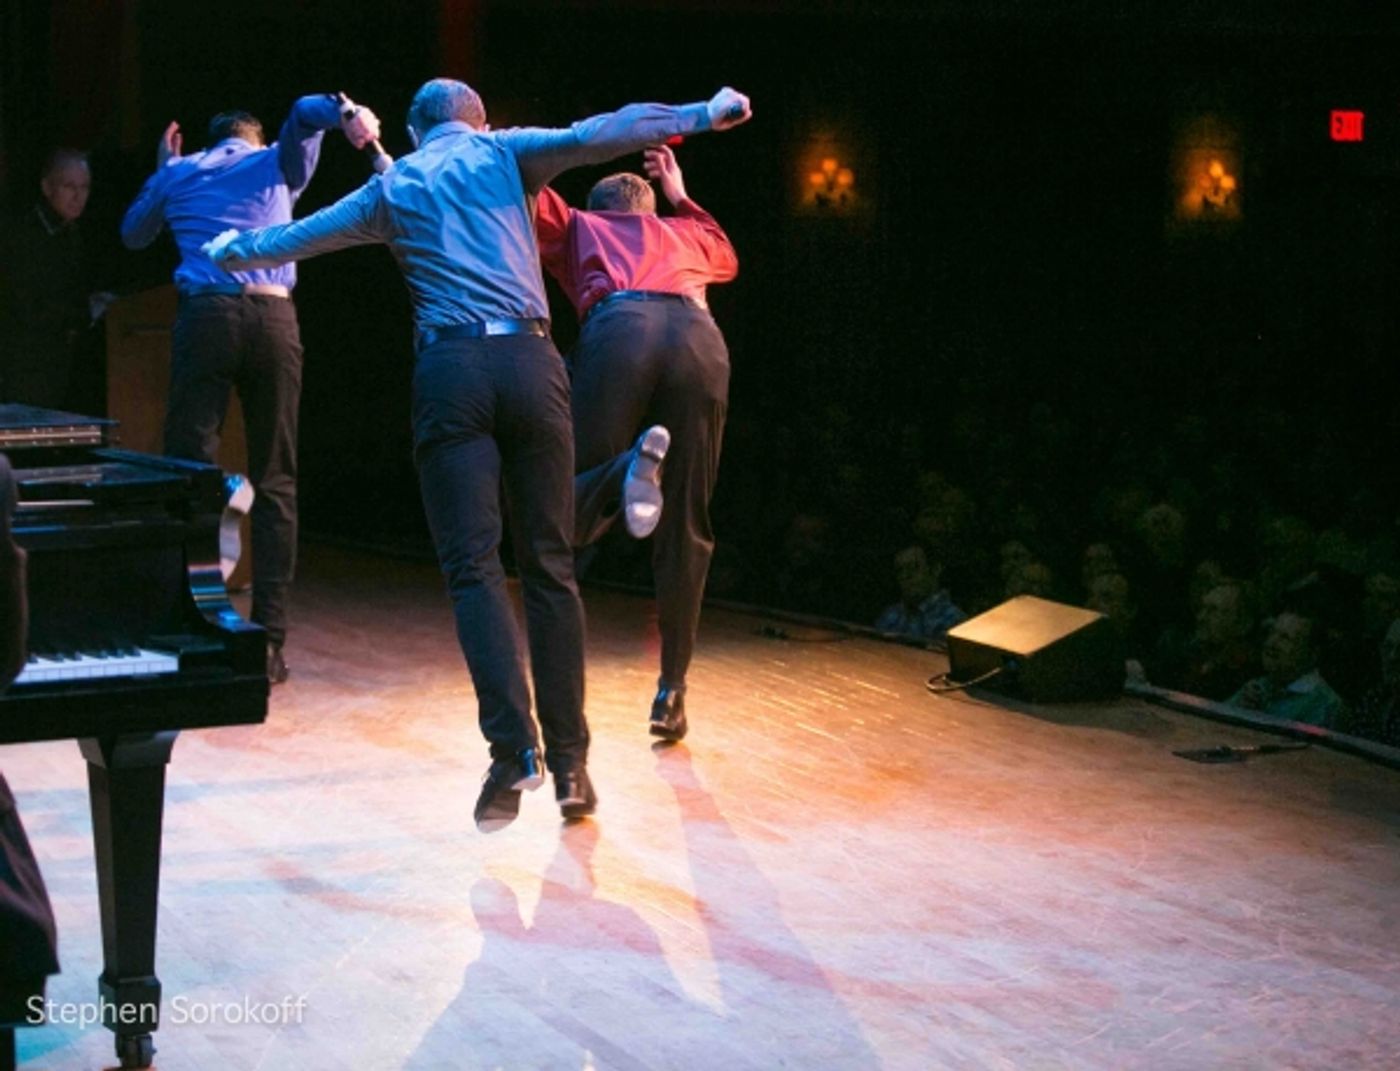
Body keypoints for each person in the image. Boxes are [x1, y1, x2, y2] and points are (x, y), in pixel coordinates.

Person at [205, 79, 752, 831]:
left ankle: (513, 752)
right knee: (551, 566)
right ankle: (571, 766)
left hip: (452, 374)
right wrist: (700, 116)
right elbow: (603, 127)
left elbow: (296, 237)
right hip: (533, 365)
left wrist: (233, 250)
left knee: (474, 567)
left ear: (414, 127)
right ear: (481, 121)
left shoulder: (394, 189)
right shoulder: (505, 152)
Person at [120, 95, 382, 686]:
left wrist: (165, 169)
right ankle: (268, 643)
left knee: (188, 472)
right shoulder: (272, 164)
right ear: (257, 140)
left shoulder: (183, 171)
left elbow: (134, 235)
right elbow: (305, 114)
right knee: (277, 477)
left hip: (206, 319)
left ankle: (190, 625)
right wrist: (345, 115)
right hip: (271, 321)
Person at [534, 142, 738, 742]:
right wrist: (679, 193)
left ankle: (627, 466)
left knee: (566, 509)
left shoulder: (579, 225)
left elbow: (524, 188)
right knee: (688, 524)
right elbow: (726, 251)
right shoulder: (688, 235)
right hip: (699, 339)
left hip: (622, 327)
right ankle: (672, 692)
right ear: (654, 212)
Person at [0, 149, 111, 409]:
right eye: (69, 186)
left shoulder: (73, 234)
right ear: (47, 187)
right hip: (23, 363)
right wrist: (84, 311)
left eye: (84, 187)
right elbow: (24, 304)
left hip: (59, 362)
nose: (78, 196)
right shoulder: (21, 237)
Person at [874, 544, 966, 643]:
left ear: (935, 569)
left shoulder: (955, 621)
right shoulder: (890, 616)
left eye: (914, 567)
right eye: (900, 570)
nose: (905, 575)